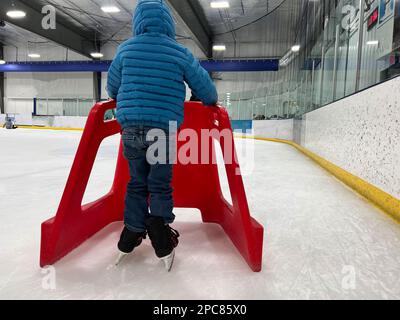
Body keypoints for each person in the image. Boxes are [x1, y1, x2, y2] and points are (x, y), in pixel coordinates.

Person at [107, 0, 218, 271]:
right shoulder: (179, 52)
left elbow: (112, 88)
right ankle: (159, 231)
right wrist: (200, 99)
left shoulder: (125, 50)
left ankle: (131, 232)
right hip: (163, 131)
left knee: (136, 182)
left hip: (131, 128)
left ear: (138, 23)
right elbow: (208, 92)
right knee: (159, 183)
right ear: (169, 24)